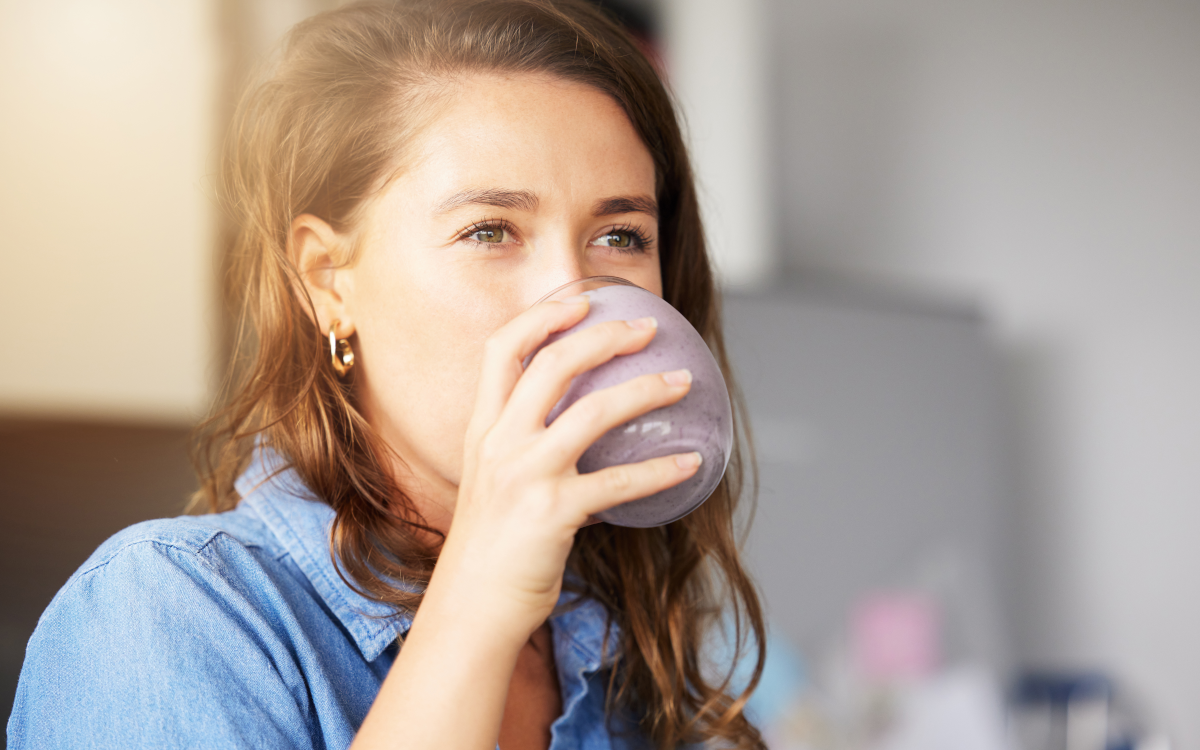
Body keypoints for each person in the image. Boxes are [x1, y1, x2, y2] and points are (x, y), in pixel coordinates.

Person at [7, 1, 766, 748]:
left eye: (619, 235)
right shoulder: (161, 615)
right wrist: (477, 605)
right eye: (490, 231)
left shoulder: (619, 654)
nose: (572, 300)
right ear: (329, 282)